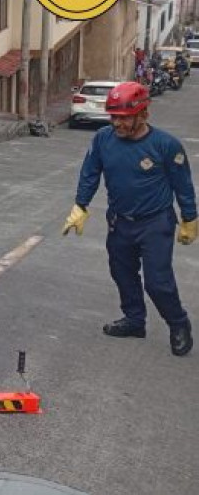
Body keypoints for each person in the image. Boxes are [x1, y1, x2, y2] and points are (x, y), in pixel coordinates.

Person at [62, 81, 196, 356]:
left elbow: (183, 185)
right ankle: (135, 320)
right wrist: (80, 206)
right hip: (120, 221)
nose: (117, 124)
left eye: (124, 118)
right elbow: (90, 172)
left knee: (157, 282)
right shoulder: (102, 139)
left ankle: (179, 323)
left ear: (142, 114)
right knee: (121, 272)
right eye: (114, 117)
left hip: (155, 222)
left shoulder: (166, 146)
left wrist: (190, 218)